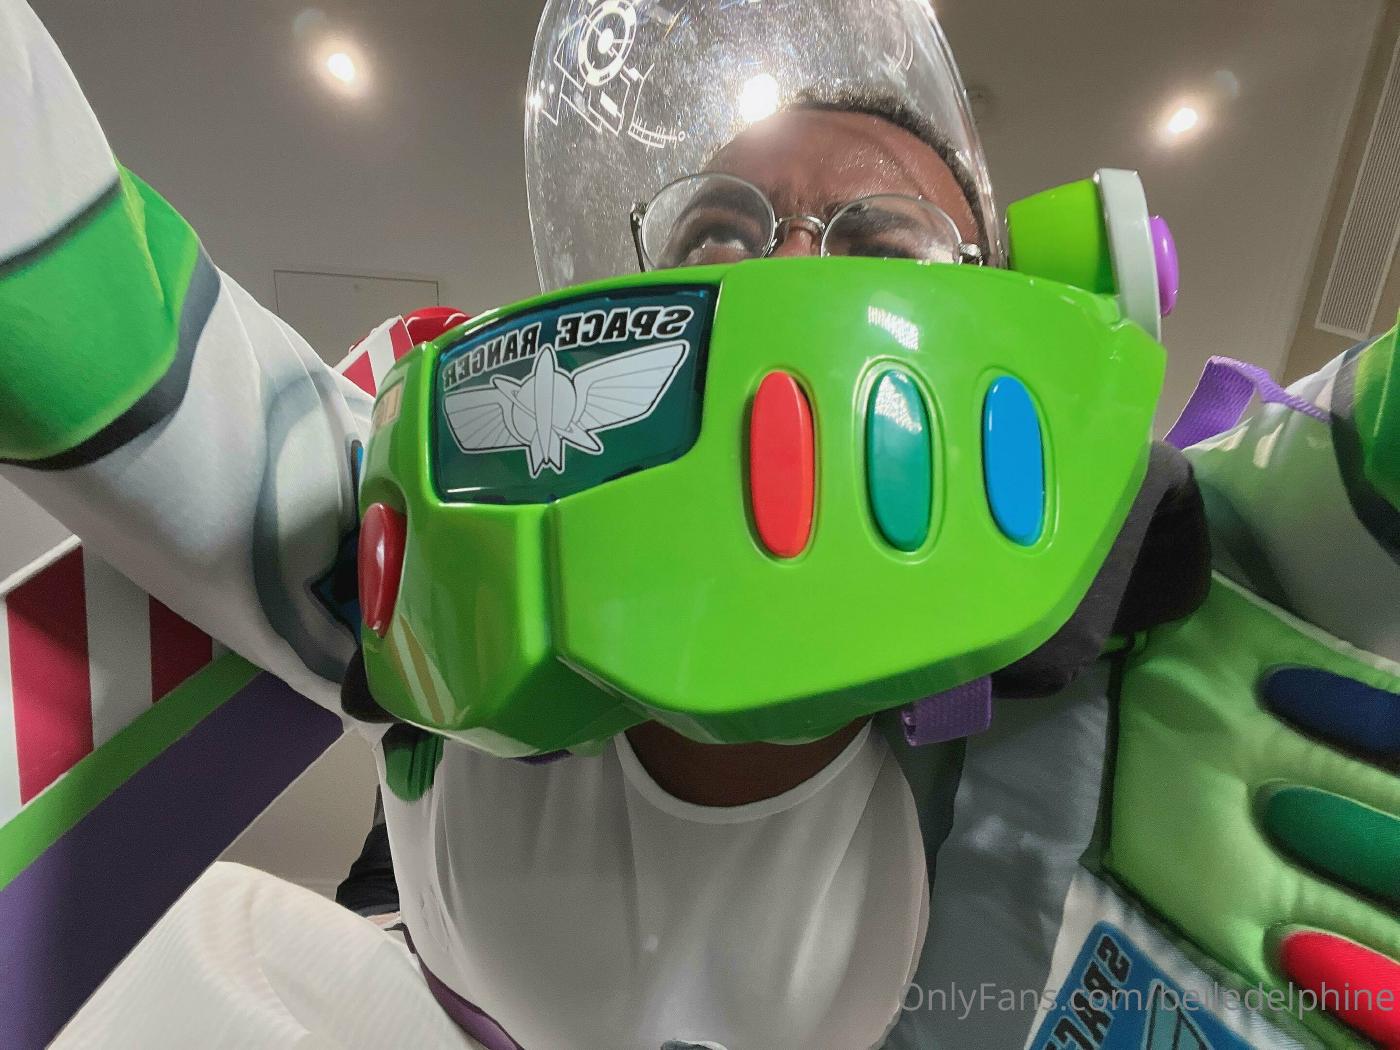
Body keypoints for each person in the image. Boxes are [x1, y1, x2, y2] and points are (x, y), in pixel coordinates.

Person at [2, 1, 1397, 1048]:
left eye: (882, 245)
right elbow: (78, 287)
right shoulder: (436, 542)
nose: (786, 269)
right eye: (722, 234)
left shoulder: (1163, 630)